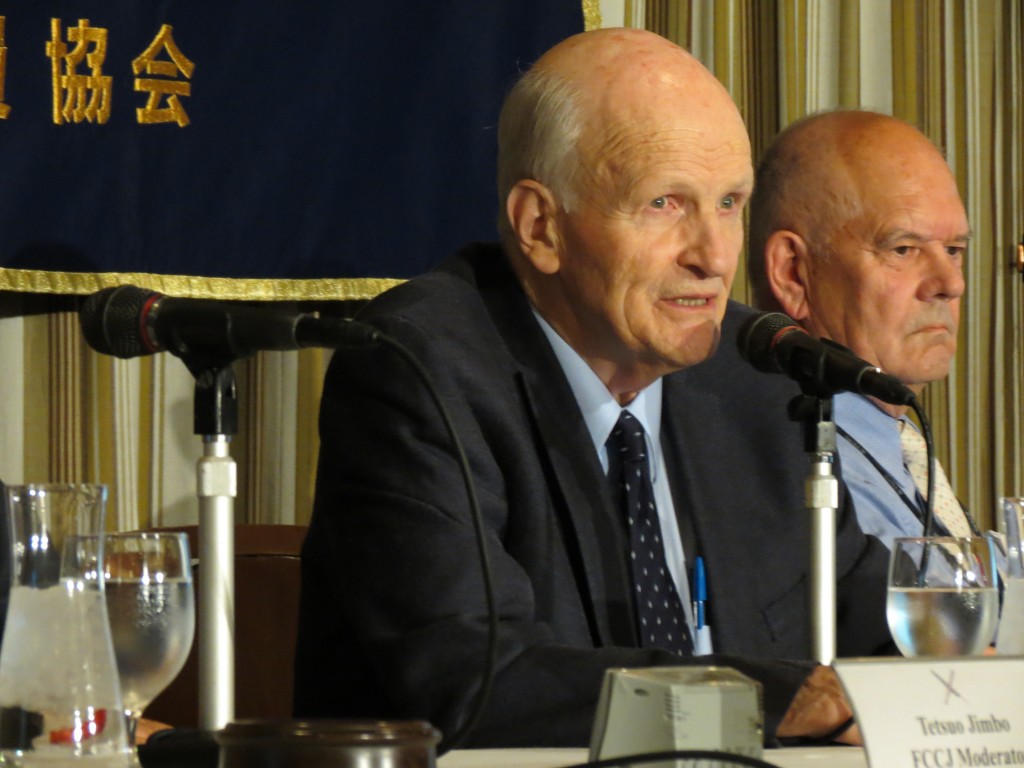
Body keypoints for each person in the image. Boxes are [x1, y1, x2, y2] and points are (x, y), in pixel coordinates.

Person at [294, 29, 893, 748]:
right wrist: (772, 701)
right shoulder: (418, 369)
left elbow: (879, 626)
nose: (711, 255)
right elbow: (476, 677)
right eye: (665, 204)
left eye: (730, 202)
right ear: (541, 225)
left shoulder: (755, 374)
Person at [747, 109, 977, 550]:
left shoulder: (897, 444)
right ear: (794, 273)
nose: (951, 284)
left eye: (953, 250)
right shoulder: (787, 471)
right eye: (904, 249)